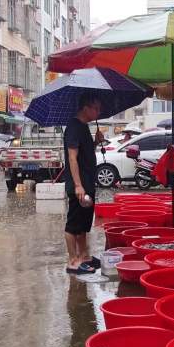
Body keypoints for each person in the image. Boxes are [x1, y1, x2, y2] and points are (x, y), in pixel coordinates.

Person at [64, 93, 104, 274]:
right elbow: (72, 158)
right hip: (79, 185)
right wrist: (78, 185)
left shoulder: (84, 127)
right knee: (73, 225)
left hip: (88, 183)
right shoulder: (73, 127)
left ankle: (84, 256)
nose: (98, 111)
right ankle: (73, 261)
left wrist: (95, 142)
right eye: (96, 107)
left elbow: (85, 154)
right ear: (86, 107)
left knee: (83, 224)